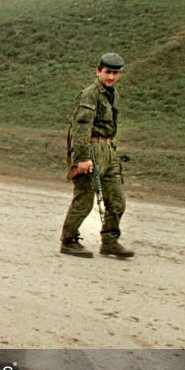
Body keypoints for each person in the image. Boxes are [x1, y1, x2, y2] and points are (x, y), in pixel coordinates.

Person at [60, 52, 134, 259]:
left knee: (117, 201)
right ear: (98, 71)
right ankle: (68, 240)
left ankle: (110, 241)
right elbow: (81, 127)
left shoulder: (111, 93)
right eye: (107, 72)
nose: (111, 77)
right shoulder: (90, 94)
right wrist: (82, 158)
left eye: (115, 73)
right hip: (91, 149)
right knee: (84, 200)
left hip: (108, 151)